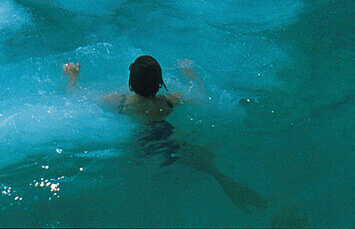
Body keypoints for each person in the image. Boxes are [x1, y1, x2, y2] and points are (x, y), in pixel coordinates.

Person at [62, 56, 267, 216]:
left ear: (131, 84)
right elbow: (205, 100)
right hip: (170, 138)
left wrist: (73, 76)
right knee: (213, 171)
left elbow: (75, 95)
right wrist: (190, 74)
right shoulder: (169, 101)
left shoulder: (119, 101)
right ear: (160, 83)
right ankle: (252, 201)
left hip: (140, 142)